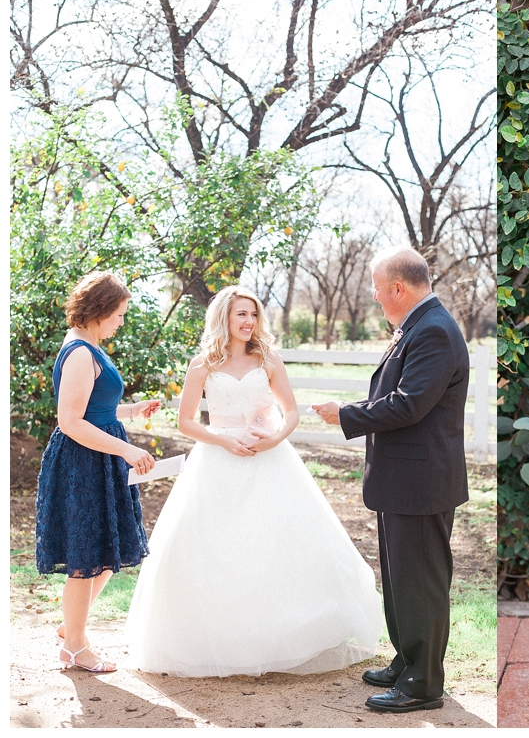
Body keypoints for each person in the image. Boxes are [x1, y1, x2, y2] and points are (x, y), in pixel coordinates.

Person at [124, 286, 383, 677]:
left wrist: (275, 438)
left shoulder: (268, 359)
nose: (248, 322)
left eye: (253, 315)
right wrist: (224, 439)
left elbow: (291, 411)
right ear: (224, 318)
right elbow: (187, 421)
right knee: (206, 548)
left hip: (270, 459)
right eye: (241, 315)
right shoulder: (204, 363)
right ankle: (214, 642)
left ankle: (282, 637)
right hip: (216, 459)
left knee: (277, 543)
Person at [313, 246, 469, 713]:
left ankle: (423, 684)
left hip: (421, 482)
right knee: (402, 578)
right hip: (403, 478)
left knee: (419, 581)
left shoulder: (434, 331)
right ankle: (407, 661)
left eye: (378, 291)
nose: (376, 299)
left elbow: (408, 404)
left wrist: (345, 414)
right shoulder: (419, 326)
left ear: (398, 288)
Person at [35, 271, 160, 673]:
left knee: (108, 549)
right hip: (83, 463)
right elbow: (71, 421)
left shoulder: (90, 347)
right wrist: (127, 449)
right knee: (86, 554)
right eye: (119, 314)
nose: (121, 322)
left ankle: (72, 626)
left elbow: (95, 409)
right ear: (101, 309)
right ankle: (74, 647)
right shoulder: (79, 352)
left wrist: (131, 411)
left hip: (100, 459)